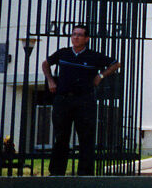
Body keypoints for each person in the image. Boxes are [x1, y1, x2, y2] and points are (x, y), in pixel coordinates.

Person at [41, 24, 120, 176]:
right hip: (63, 100)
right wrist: (51, 80)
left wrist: (100, 76)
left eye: (79, 35)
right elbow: (45, 64)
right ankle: (56, 173)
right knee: (61, 137)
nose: (75, 37)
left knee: (86, 137)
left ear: (87, 38)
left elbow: (116, 63)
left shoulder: (93, 56)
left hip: (85, 101)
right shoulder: (63, 53)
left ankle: (85, 174)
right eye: (74, 34)